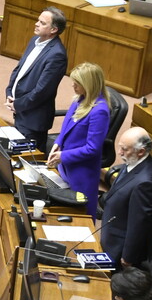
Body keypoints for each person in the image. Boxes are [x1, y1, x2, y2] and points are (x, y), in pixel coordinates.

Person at [46, 62, 110, 214]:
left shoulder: (100, 111)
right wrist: (58, 143)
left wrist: (63, 156)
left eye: (77, 83)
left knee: (81, 214)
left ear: (89, 85)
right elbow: (66, 126)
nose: (73, 85)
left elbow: (92, 148)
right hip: (66, 165)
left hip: (82, 171)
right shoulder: (79, 99)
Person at [5, 7, 68, 149]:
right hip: (21, 110)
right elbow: (19, 70)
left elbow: (42, 91)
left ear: (53, 30)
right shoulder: (34, 40)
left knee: (28, 158)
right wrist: (9, 92)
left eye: (42, 23)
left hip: (33, 119)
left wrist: (17, 105)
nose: (36, 24)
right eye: (38, 20)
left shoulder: (57, 55)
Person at [99, 127, 152, 268]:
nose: (120, 153)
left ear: (141, 151)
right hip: (111, 232)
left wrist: (128, 256)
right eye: (120, 147)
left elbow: (138, 224)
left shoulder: (145, 183)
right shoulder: (133, 161)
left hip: (120, 246)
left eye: (124, 149)